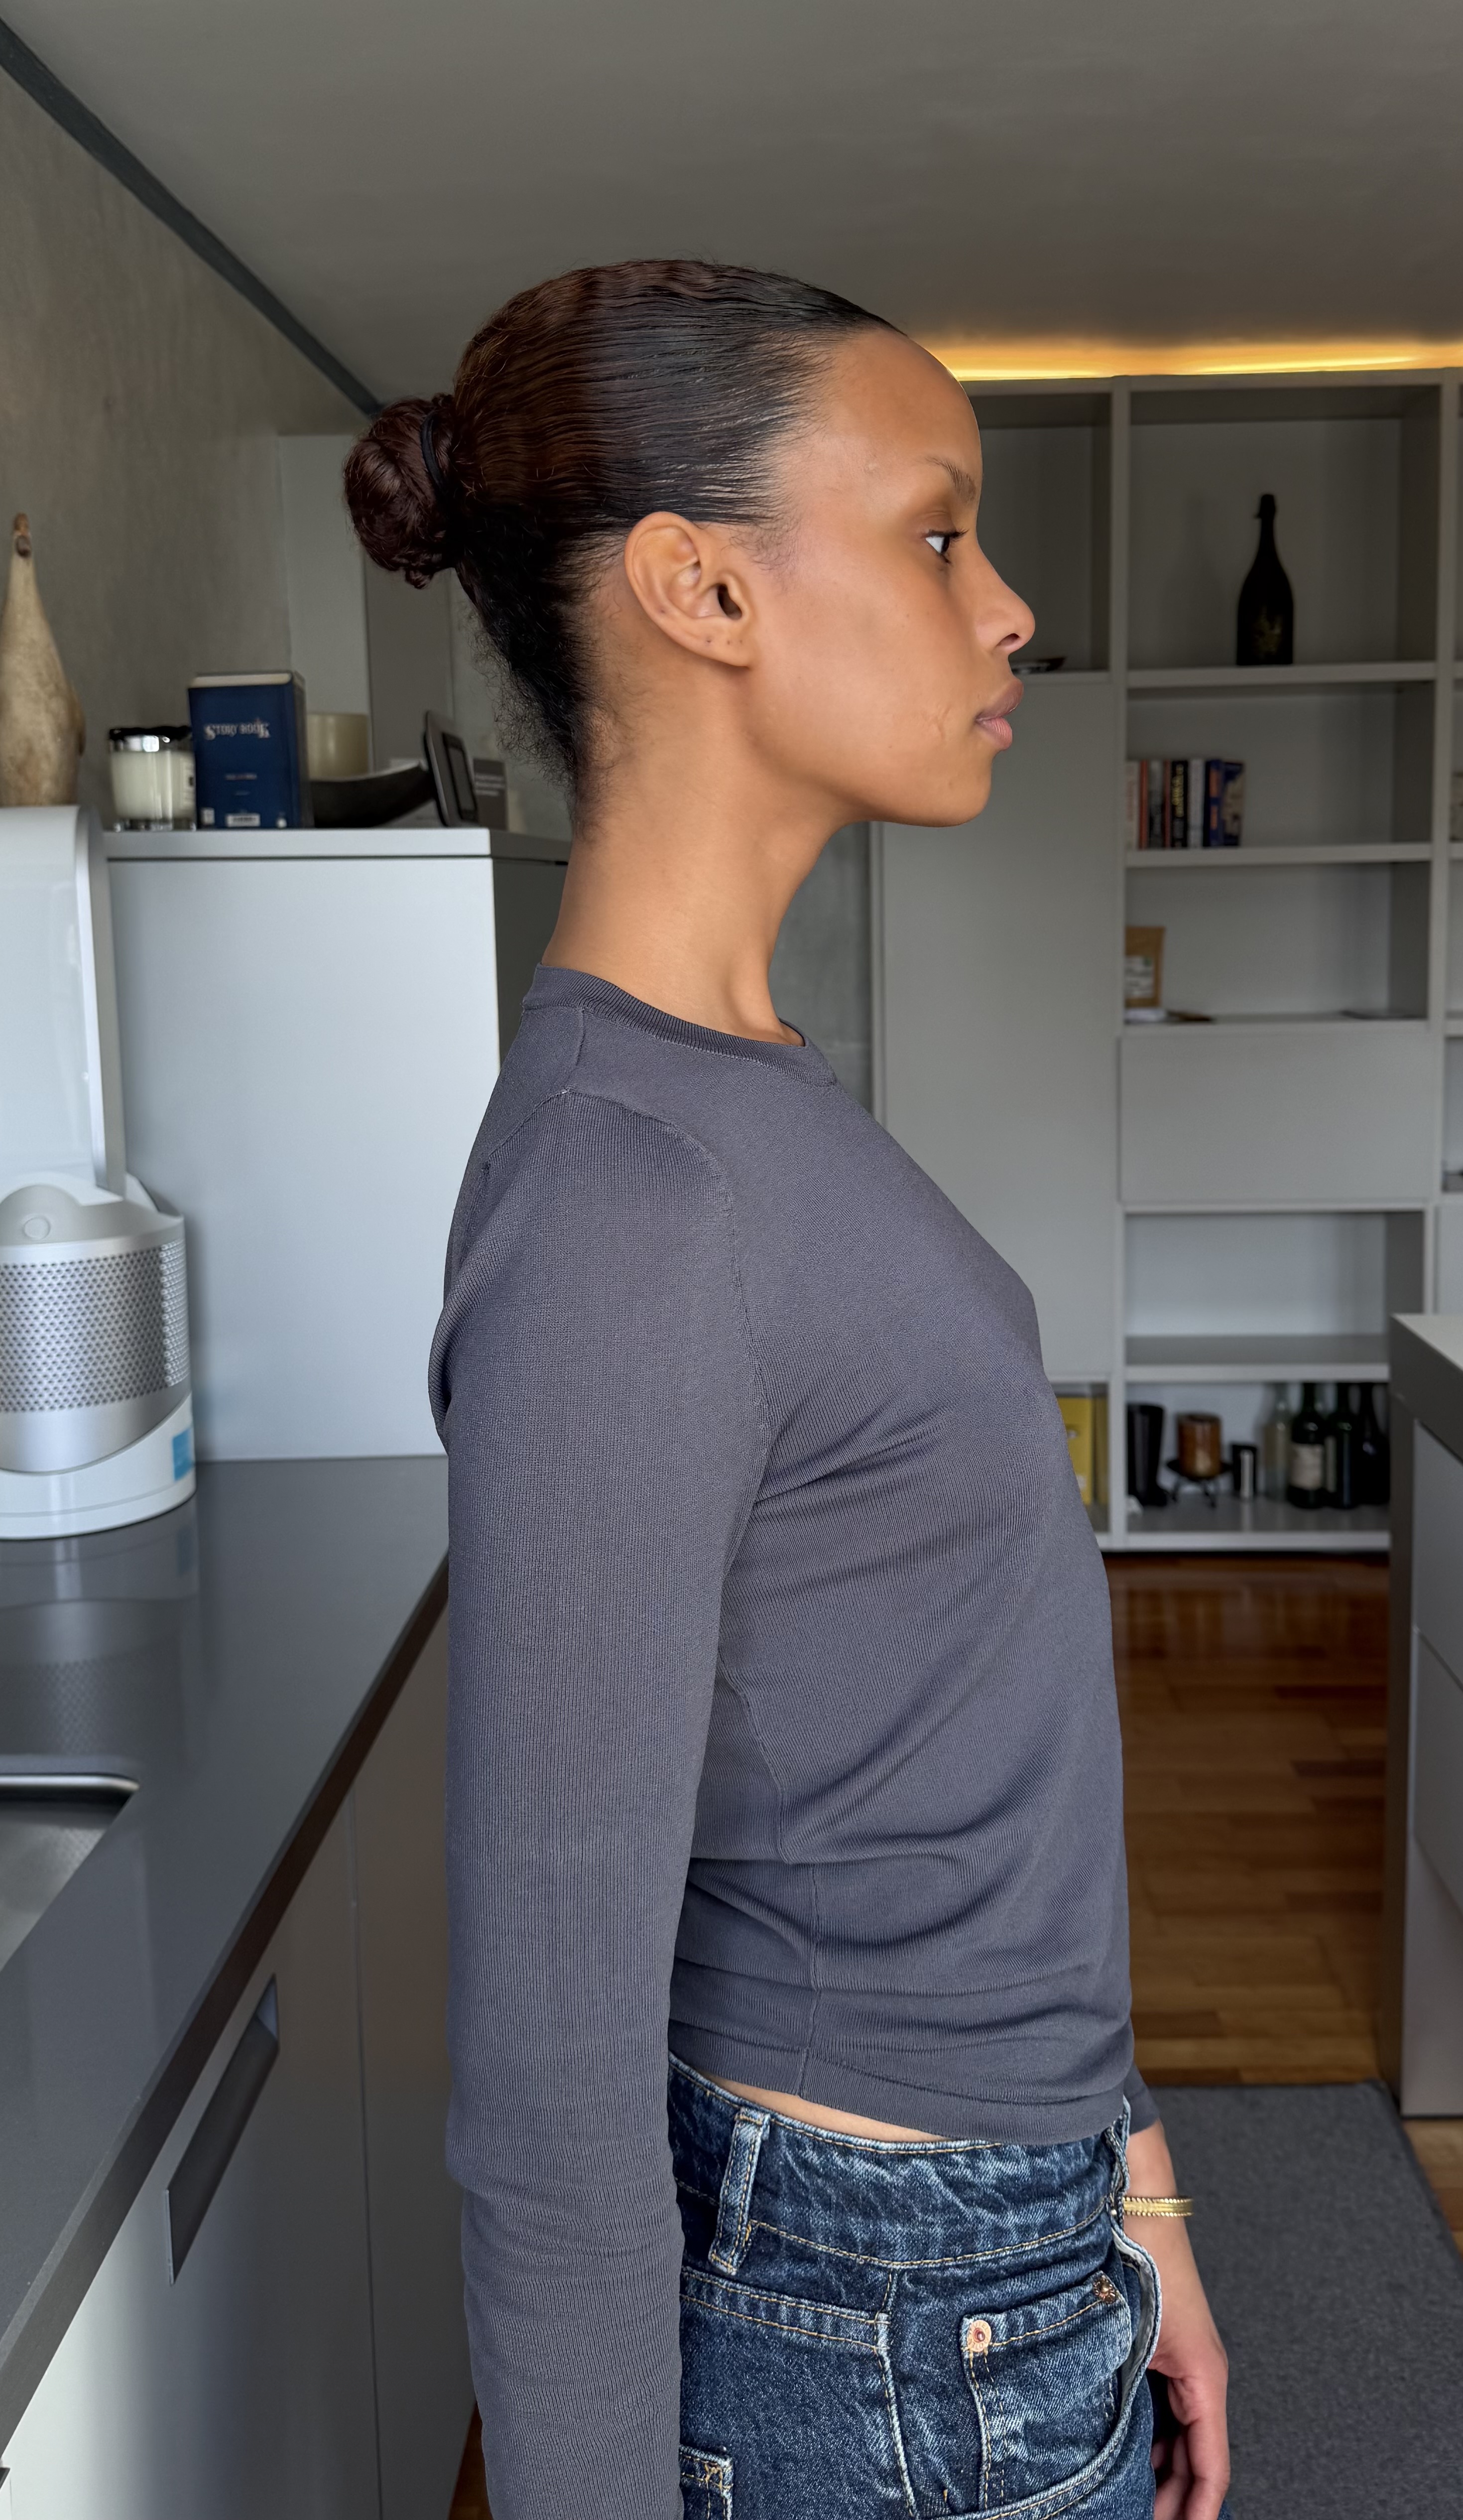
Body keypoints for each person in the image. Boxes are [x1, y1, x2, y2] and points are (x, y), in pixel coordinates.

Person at [345, 261, 1229, 2520]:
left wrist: (1130, 2196)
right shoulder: (627, 1198)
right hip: (885, 2320)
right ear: (703, 588)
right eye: (938, 532)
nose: (1008, 608)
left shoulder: (739, 1095)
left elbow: (961, 1740)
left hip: (995, 2246)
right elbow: (545, 2075)